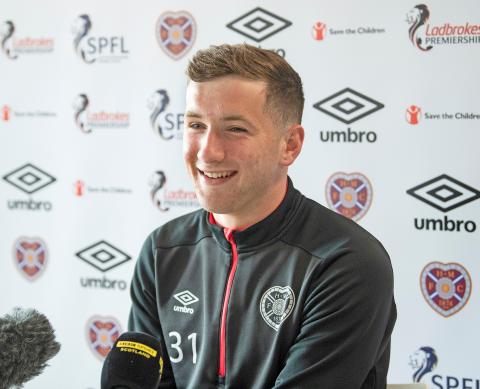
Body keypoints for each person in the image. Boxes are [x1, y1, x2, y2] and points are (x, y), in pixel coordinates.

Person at [128, 43, 396, 388]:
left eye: (235, 129)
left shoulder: (347, 262)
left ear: (290, 145)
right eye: (195, 125)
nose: (208, 151)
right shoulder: (162, 250)